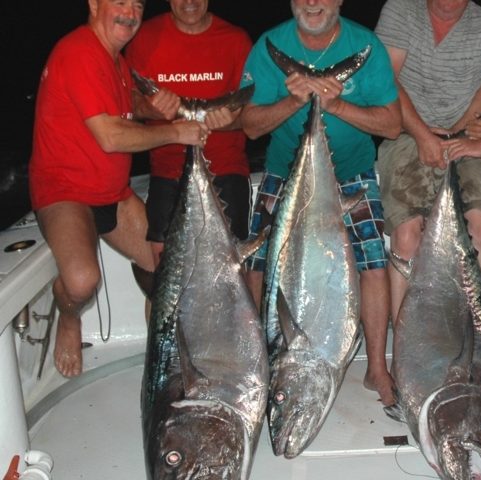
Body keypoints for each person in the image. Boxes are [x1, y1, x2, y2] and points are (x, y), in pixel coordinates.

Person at [29, 0, 210, 378]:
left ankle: (160, 359)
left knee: (169, 266)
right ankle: (67, 317)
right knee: (81, 282)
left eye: (138, 5)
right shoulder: (79, 51)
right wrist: (176, 131)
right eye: (120, 2)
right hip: (66, 193)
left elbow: (124, 104)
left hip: (112, 192)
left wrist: (152, 108)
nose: (130, 12)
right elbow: (110, 136)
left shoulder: (114, 58)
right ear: (94, 4)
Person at [240, 0, 402, 406]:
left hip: (354, 173)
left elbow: (393, 124)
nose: (313, 3)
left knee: (373, 264)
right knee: (258, 265)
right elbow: (250, 125)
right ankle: (260, 359)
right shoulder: (268, 46)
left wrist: (335, 104)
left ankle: (377, 367)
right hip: (286, 172)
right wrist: (295, 101)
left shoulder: (365, 46)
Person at [374, 0, 481, 324]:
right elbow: (385, 79)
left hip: (462, 139)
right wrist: (423, 136)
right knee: (407, 235)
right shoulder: (401, 9)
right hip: (407, 135)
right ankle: (407, 351)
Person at [125, 0, 253, 267]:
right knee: (164, 272)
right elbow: (130, 104)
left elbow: (253, 113)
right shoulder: (144, 38)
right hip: (167, 172)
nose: (190, 2)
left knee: (231, 270)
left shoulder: (236, 40)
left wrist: (230, 120)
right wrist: (152, 109)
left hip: (227, 171)